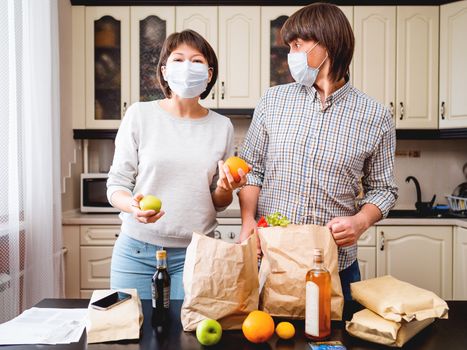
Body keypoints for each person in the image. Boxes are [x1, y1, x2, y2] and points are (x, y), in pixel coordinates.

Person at [238, 3, 398, 301]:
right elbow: (251, 170)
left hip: (334, 266)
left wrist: (360, 222)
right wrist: (248, 220)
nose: (291, 55)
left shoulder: (376, 116)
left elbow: (384, 189)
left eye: (298, 45)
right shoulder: (273, 101)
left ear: (329, 44)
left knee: (333, 345)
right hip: (271, 260)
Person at [107, 30, 247, 300]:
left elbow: (219, 201)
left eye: (196, 61)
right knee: (129, 334)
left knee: (188, 337)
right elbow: (116, 185)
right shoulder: (139, 114)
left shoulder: (222, 126)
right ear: (164, 71)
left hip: (197, 253)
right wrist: (132, 207)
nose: (187, 67)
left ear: (209, 74)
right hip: (136, 251)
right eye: (178, 59)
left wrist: (226, 187)